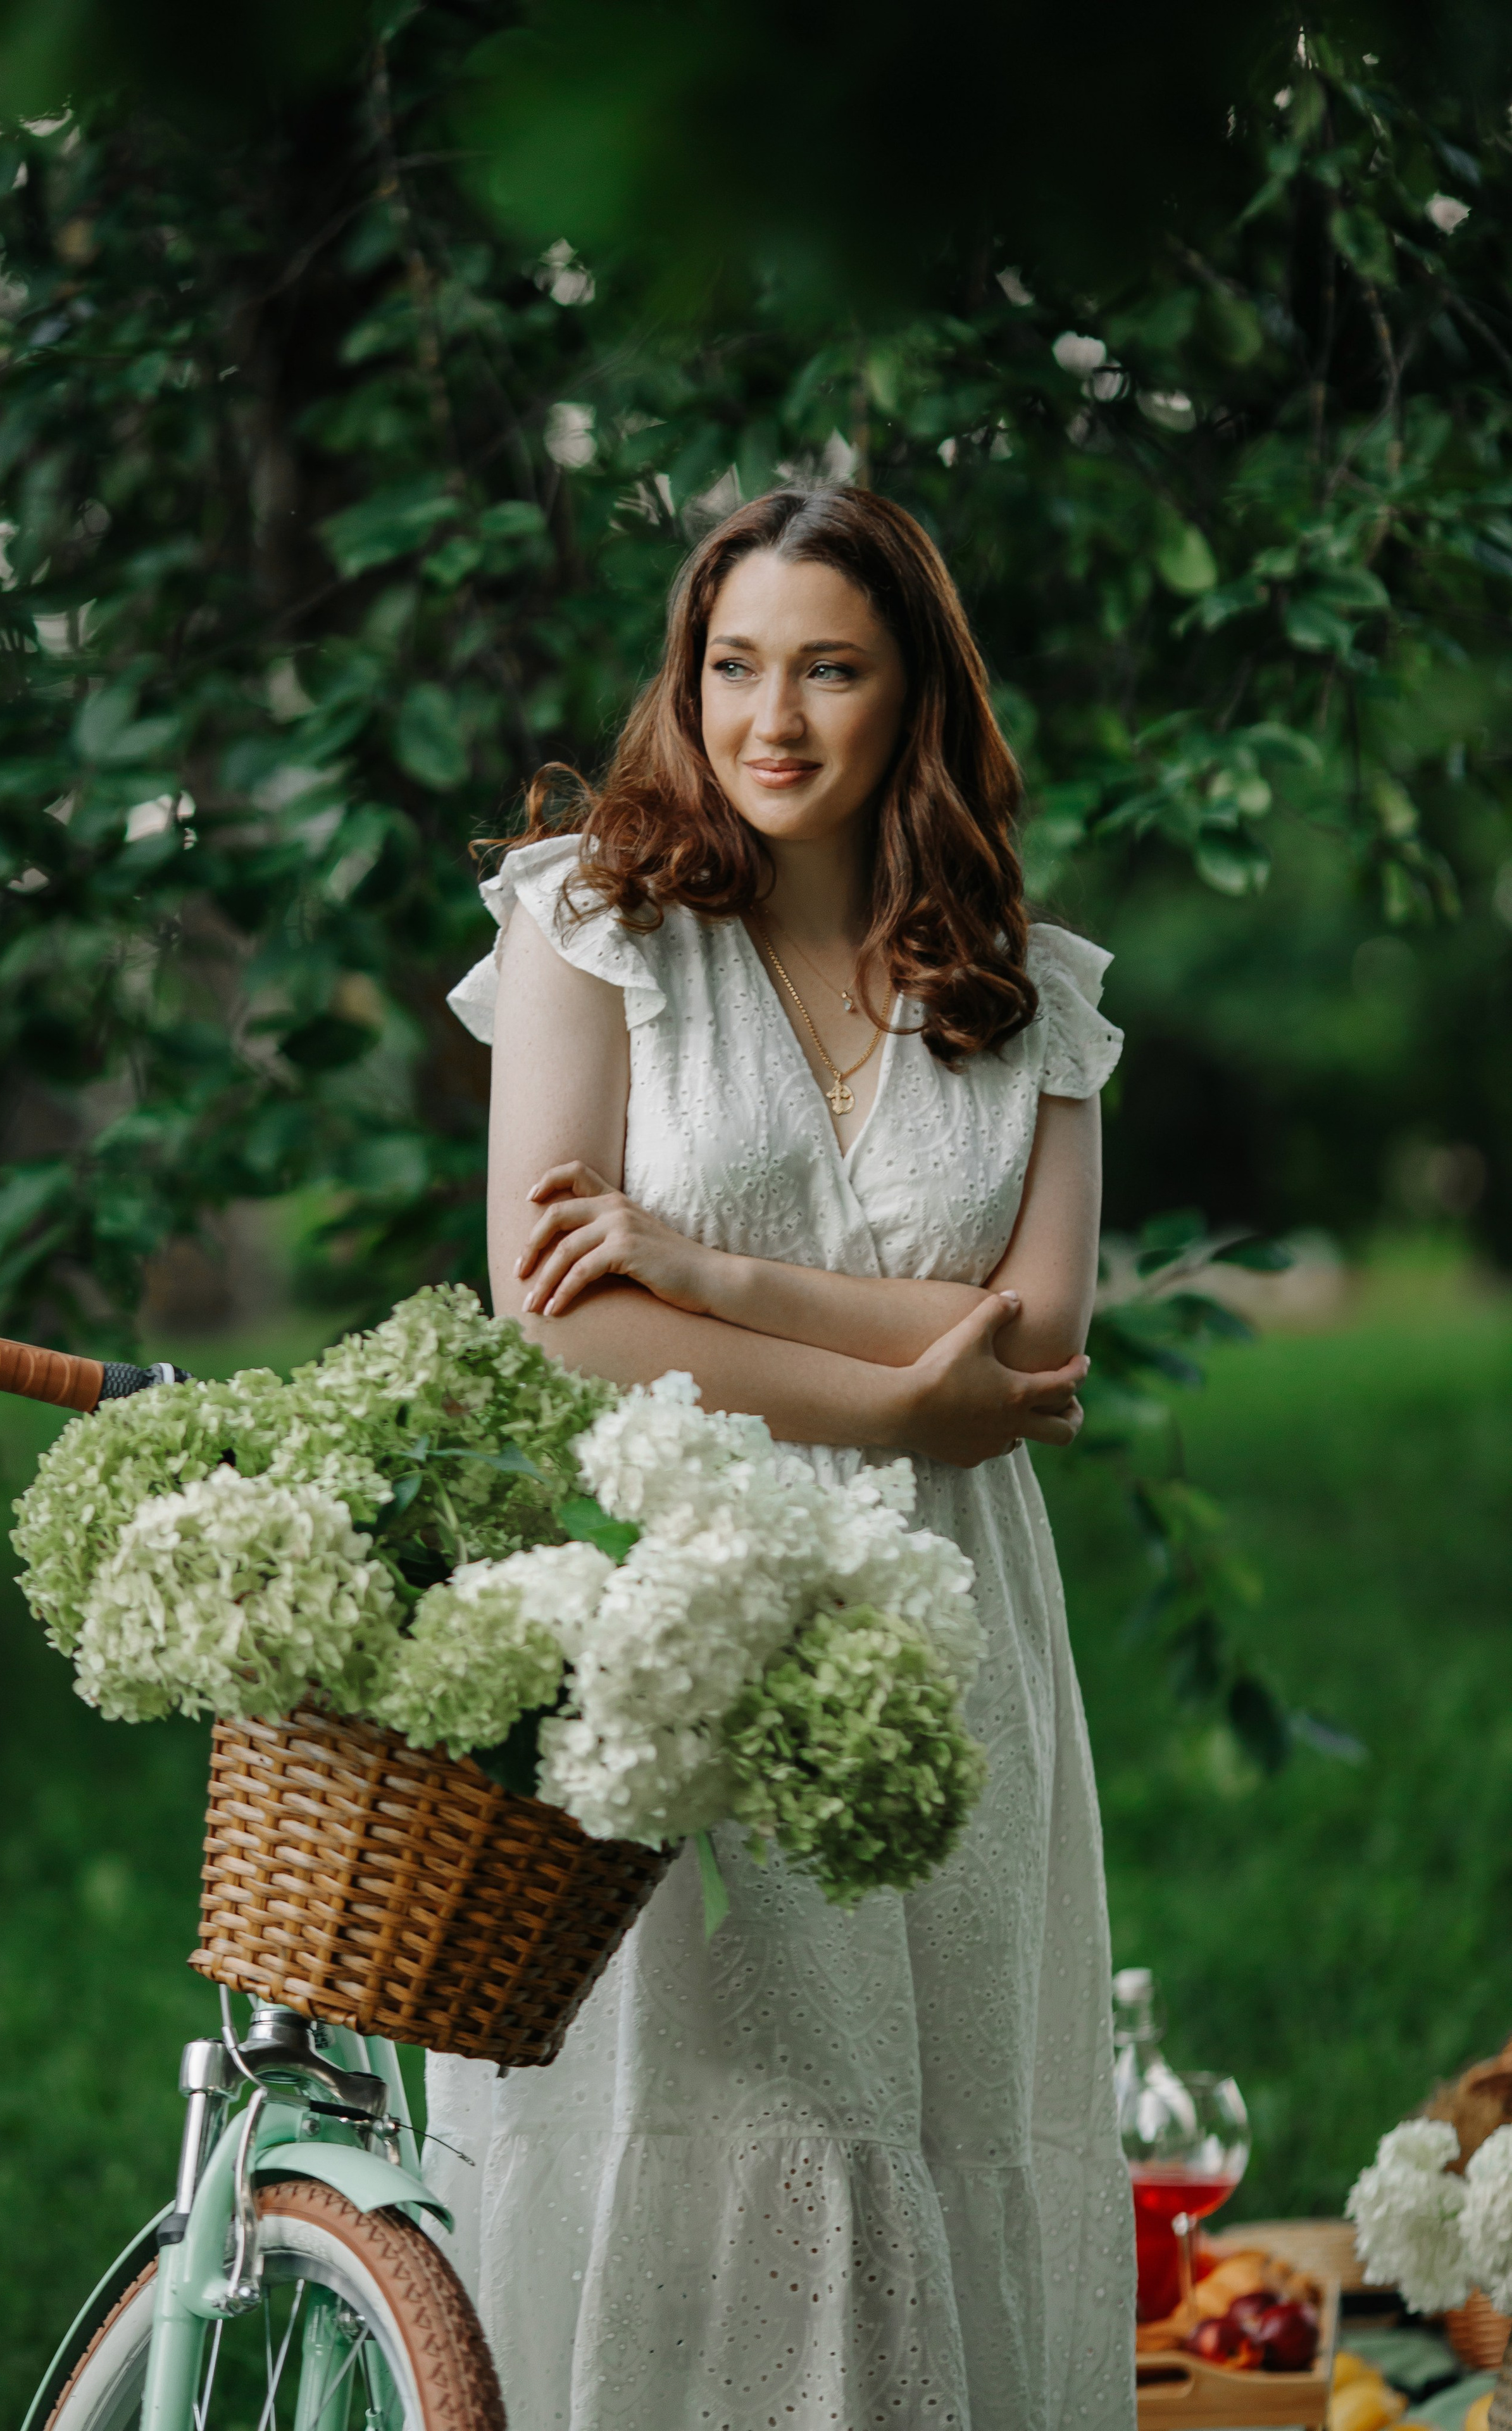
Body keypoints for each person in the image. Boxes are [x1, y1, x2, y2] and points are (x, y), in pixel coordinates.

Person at [429, 484, 1135, 2430]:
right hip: (681, 1604)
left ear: (915, 695)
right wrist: (902, 1401)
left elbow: (1046, 1342)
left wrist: (714, 1266)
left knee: (944, 2104)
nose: (774, 717)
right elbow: (559, 1321)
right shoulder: (596, 924)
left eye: (831, 667)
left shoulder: (1026, 991)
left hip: (954, 1625)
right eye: (734, 665)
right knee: (726, 2100)